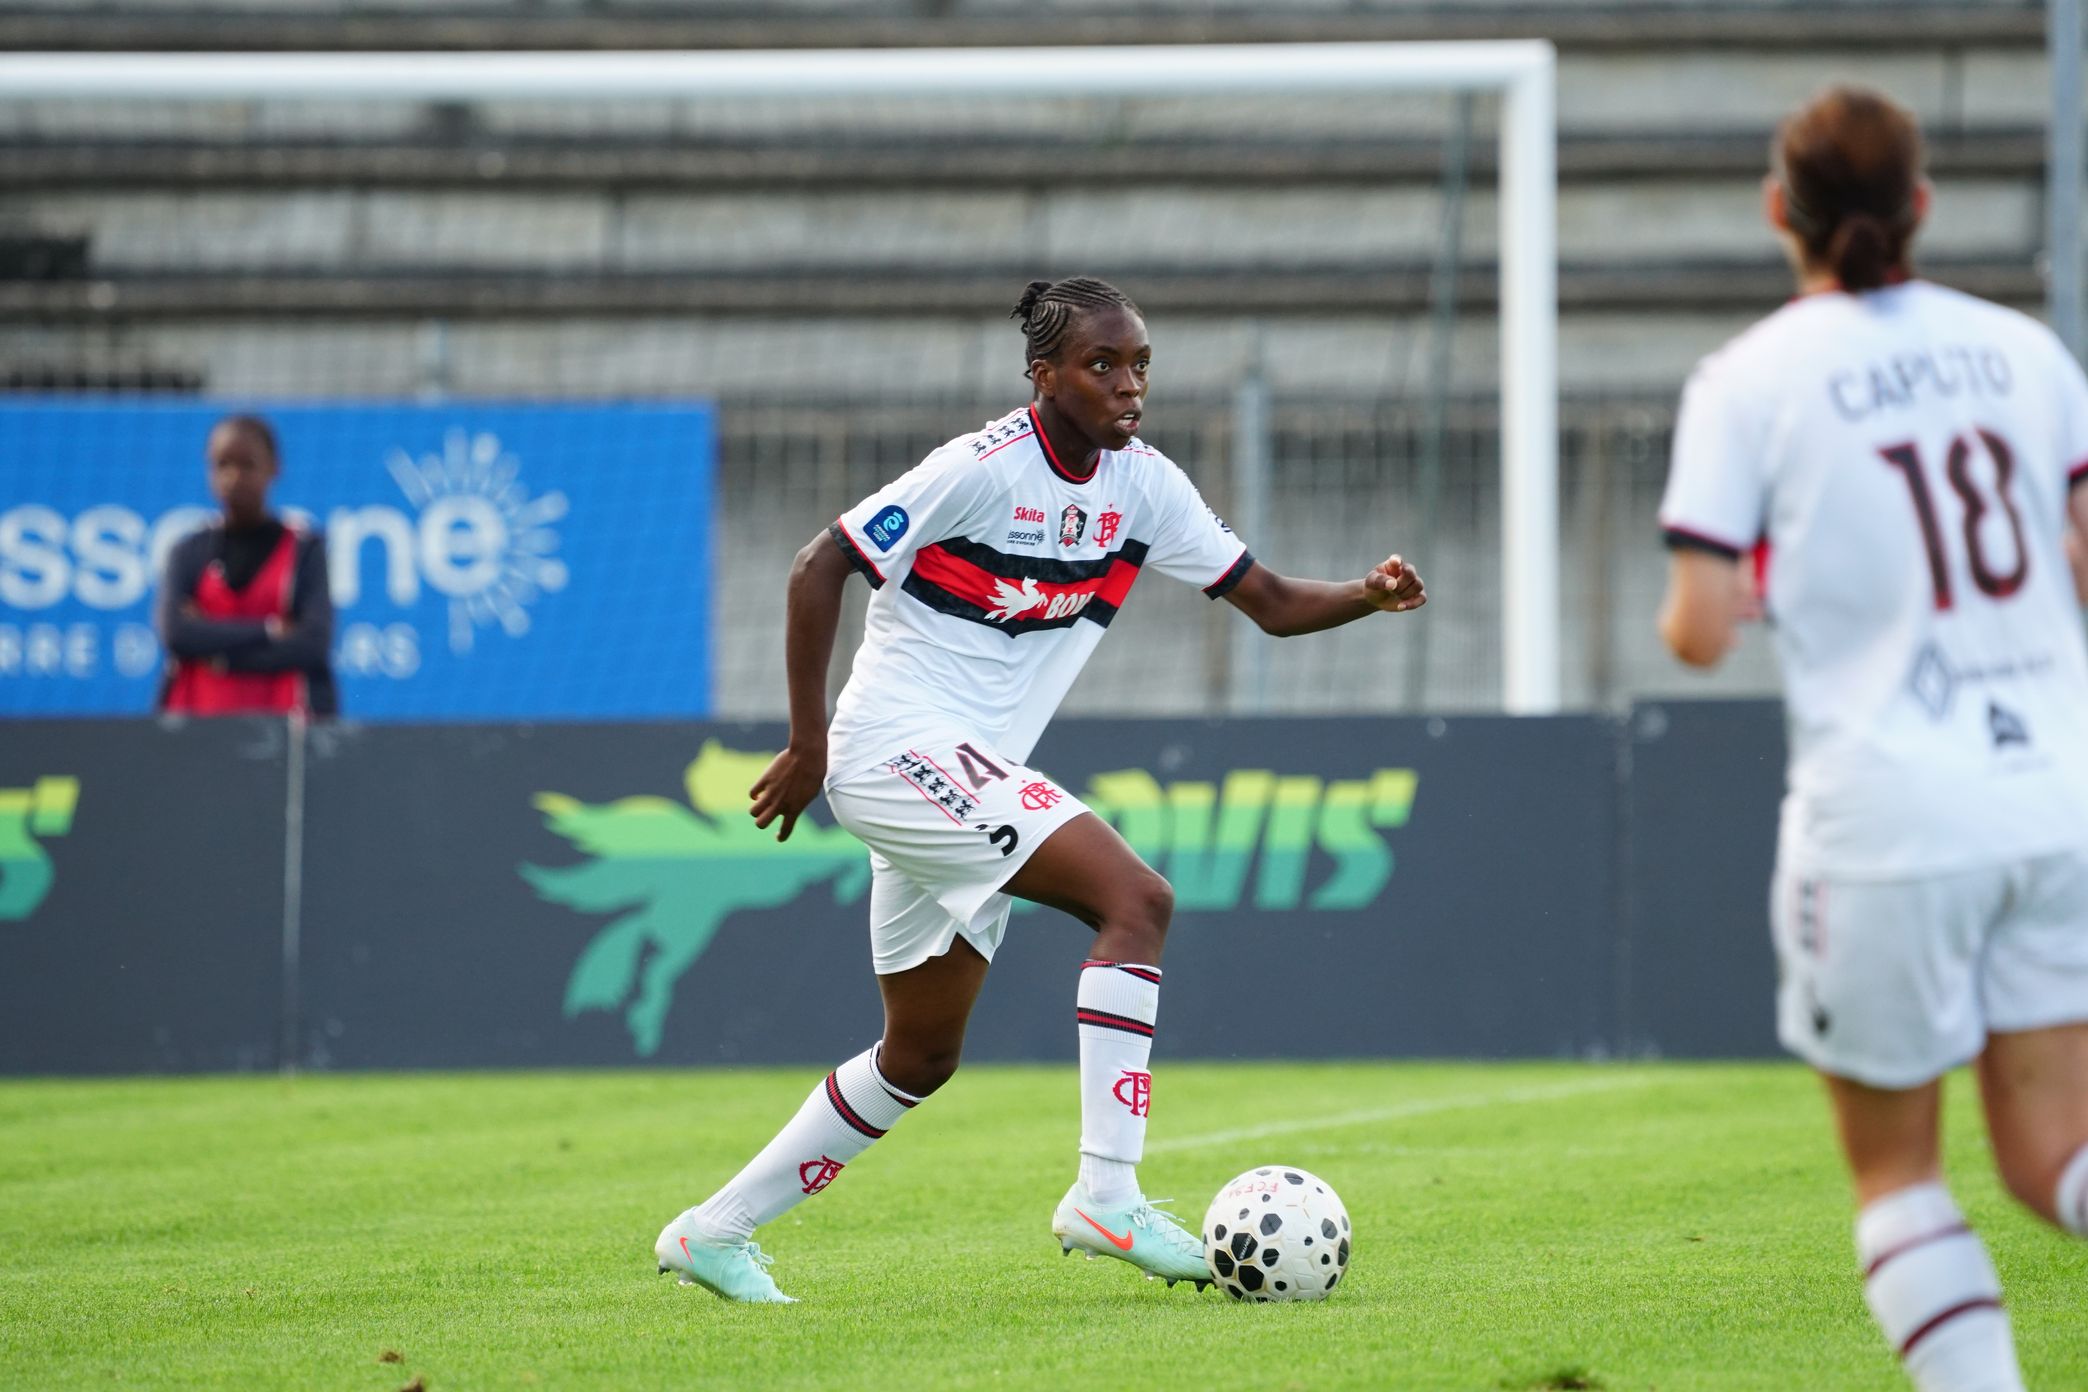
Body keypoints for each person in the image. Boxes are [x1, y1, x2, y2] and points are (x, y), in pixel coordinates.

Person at [654, 275, 1427, 1302]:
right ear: (1044, 375)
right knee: (1136, 900)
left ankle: (712, 1233)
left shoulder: (1145, 487)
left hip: (960, 774)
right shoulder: (979, 469)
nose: (1128, 384)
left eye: (1139, 364)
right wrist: (809, 743)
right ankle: (1107, 1195)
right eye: (1102, 365)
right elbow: (816, 567)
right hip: (892, 749)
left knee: (919, 1055)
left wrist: (1365, 597)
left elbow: (1275, 603)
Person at [1657, 88, 2088, 1392]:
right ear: (1922, 207)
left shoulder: (1748, 381)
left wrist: (1785, 579)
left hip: (1890, 817)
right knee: (2055, 1162)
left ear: (1777, 211)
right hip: (2056, 793)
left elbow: (1697, 632)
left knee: (1901, 1179)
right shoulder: (2022, 352)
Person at [156, 413, 338, 718]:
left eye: (247, 464)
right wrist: (269, 630)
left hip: (285, 726)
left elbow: (313, 643)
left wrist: (218, 654)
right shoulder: (188, 551)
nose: (233, 477)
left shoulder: (305, 550)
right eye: (222, 464)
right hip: (195, 726)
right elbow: (176, 634)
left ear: (274, 468)